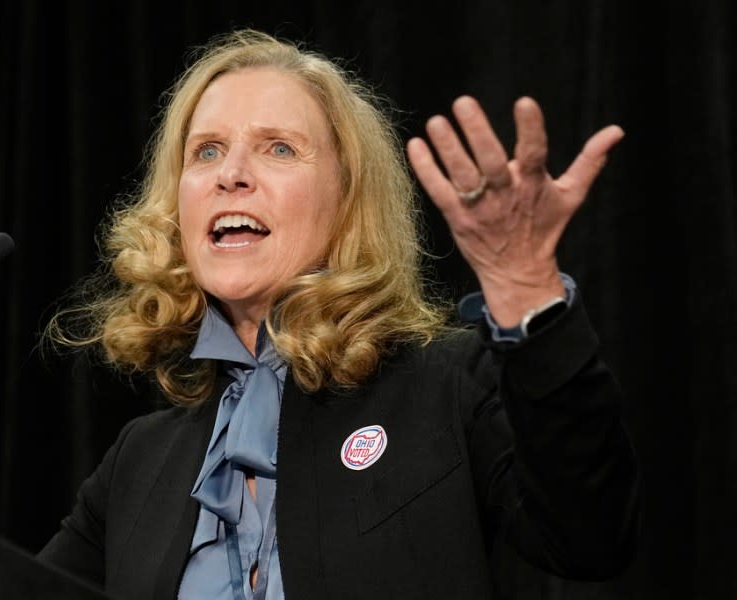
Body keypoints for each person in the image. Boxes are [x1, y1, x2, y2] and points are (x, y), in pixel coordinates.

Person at [38, 29, 641, 599]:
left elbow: (589, 536)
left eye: (278, 148)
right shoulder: (140, 460)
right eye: (207, 151)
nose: (230, 175)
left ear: (348, 198)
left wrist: (527, 290)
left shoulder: (448, 386)